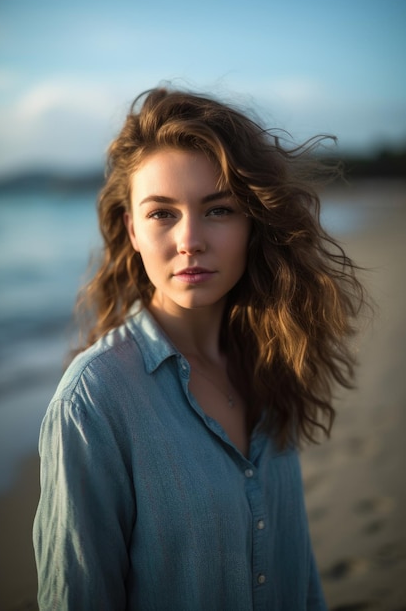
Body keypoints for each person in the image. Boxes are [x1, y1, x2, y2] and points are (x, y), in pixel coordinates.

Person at [33, 86, 367, 610]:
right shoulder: (94, 402)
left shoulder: (272, 359)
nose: (190, 239)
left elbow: (296, 570)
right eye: (162, 213)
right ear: (132, 229)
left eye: (219, 210)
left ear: (252, 222)